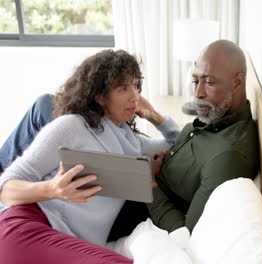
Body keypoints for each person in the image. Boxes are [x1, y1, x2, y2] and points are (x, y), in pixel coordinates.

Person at [0, 49, 180, 264]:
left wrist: (155, 116)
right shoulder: (72, 126)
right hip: (30, 225)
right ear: (100, 96)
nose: (135, 96)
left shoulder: (134, 144)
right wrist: (52, 189)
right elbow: (5, 189)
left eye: (136, 86)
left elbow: (178, 144)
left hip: (70, 243)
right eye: (123, 88)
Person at [147, 39, 259, 233]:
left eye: (209, 82)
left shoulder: (227, 156)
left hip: (140, 211)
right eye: (195, 81)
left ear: (238, 82)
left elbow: (185, 231)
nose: (198, 93)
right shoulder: (215, 120)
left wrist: (148, 182)